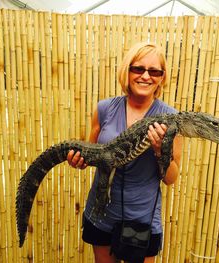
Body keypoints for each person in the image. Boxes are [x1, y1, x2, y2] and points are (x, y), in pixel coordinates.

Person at [67, 42, 183, 263]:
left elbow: (171, 178)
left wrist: (160, 151)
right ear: (127, 71)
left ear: (162, 77)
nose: (146, 76)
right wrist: (79, 160)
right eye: (138, 68)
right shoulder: (104, 108)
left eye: (154, 71)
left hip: (142, 219)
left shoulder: (171, 118)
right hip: (102, 214)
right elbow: (94, 154)